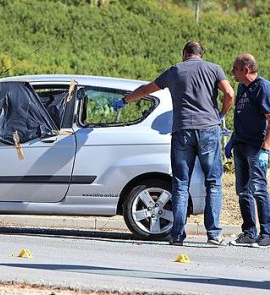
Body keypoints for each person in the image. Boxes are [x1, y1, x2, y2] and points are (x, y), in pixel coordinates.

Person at [113, 41, 234, 246]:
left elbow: (146, 90)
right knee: (213, 182)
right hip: (208, 131)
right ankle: (213, 234)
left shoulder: (175, 71)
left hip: (182, 131)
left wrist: (125, 101)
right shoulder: (214, 69)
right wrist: (220, 114)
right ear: (200, 54)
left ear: (184, 54)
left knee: (180, 183)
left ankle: (177, 236)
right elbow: (230, 94)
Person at [225, 53, 270, 248]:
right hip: (241, 145)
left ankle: (267, 233)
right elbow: (240, 118)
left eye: (235, 68)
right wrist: (232, 141)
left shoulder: (262, 87)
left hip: (256, 146)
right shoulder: (242, 87)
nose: (232, 72)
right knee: (242, 191)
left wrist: (266, 148)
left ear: (246, 69)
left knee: (259, 189)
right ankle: (249, 232)